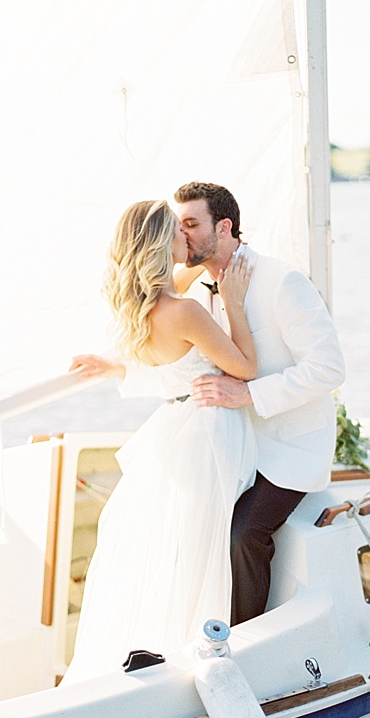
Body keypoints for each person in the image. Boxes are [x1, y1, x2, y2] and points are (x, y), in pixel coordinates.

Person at [61, 199, 257, 684]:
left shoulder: (140, 308)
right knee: (200, 554)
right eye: (178, 232)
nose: (186, 238)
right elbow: (246, 368)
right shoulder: (186, 312)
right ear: (162, 245)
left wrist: (116, 366)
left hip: (172, 439)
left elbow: (166, 365)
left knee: (173, 556)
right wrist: (232, 300)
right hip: (207, 437)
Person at [173, 181, 345, 626]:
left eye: (191, 224)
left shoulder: (282, 281)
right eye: (178, 226)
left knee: (243, 535)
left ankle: (243, 638)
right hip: (233, 443)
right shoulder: (194, 293)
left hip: (290, 448)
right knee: (185, 522)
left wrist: (250, 393)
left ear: (224, 227)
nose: (182, 235)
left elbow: (329, 368)